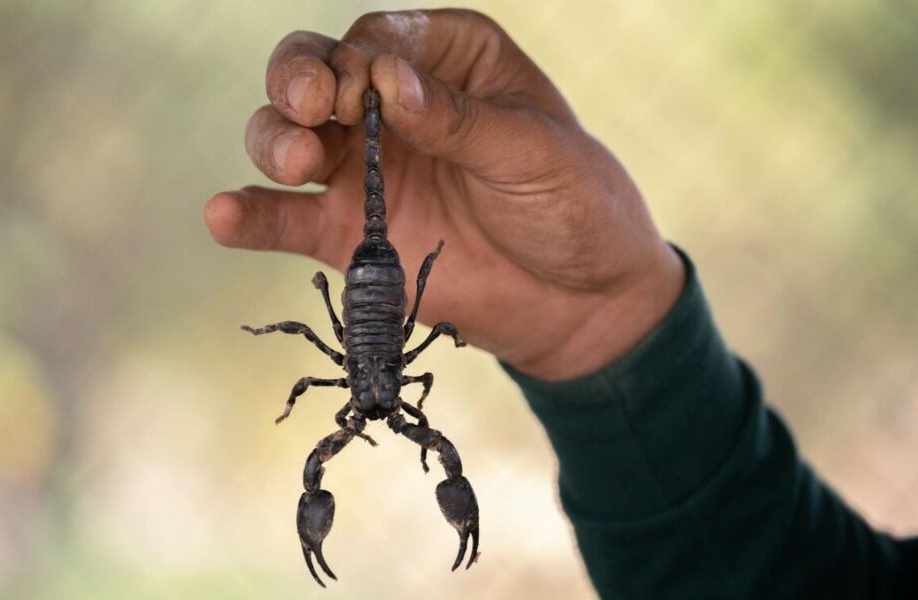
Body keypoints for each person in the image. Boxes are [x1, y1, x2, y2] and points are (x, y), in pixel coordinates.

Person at [203, 9, 918, 598]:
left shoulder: (363, 402)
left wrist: (595, 336)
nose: (385, 420)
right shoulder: (403, 394)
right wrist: (603, 332)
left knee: (343, 376)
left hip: (370, 298)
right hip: (383, 294)